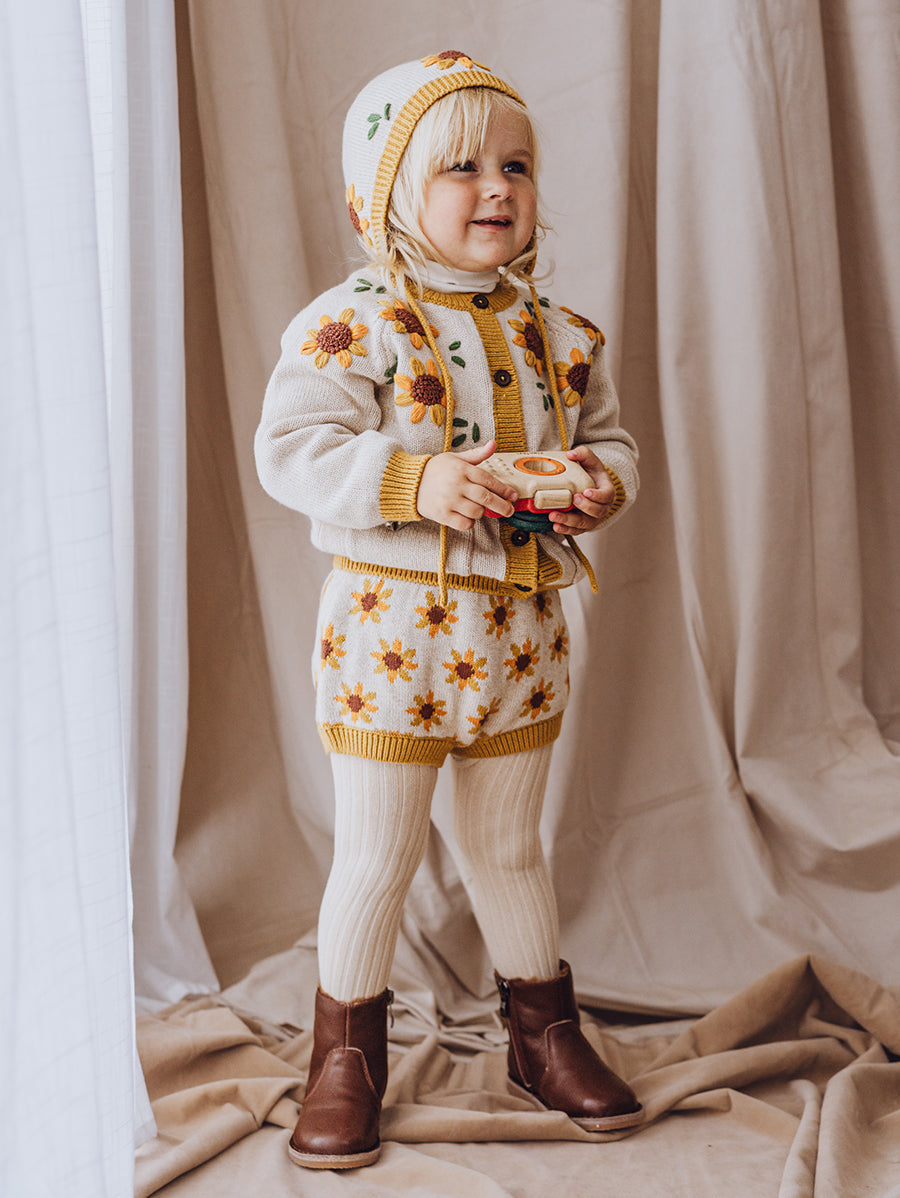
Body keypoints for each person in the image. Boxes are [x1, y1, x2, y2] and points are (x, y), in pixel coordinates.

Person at [255, 51, 642, 1171]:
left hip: (521, 638)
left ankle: (544, 1036)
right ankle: (345, 1058)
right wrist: (410, 480)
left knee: (512, 848)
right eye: (460, 168)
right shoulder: (352, 323)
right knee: (376, 856)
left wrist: (600, 484)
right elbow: (292, 448)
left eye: (515, 166)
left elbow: (611, 441)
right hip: (392, 639)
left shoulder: (563, 333)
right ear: (386, 189)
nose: (496, 188)